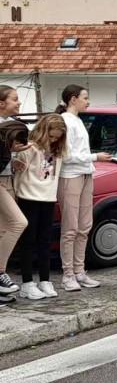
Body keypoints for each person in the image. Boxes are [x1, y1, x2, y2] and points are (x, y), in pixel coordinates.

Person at [56, 85, 113, 291]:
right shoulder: (64, 121)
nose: (88, 102)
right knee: (70, 228)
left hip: (86, 174)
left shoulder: (78, 120)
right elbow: (65, 155)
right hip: (70, 176)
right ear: (73, 99)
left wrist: (91, 160)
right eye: (85, 98)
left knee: (84, 226)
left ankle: (79, 271)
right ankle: (68, 274)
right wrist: (94, 157)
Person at [13, 114, 67, 301]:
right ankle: (27, 283)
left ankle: (45, 280)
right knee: (27, 241)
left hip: (48, 198)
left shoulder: (57, 151)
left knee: (45, 240)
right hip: (28, 197)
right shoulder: (29, 149)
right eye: (51, 136)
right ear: (43, 132)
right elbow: (19, 175)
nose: (53, 140)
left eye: (57, 137)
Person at [0, 86, 28, 303]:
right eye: (14, 99)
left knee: (4, 230)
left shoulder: (9, 124)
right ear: (1, 103)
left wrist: (12, 160)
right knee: (19, 223)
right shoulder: (4, 128)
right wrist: (10, 151)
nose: (18, 103)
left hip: (7, 178)